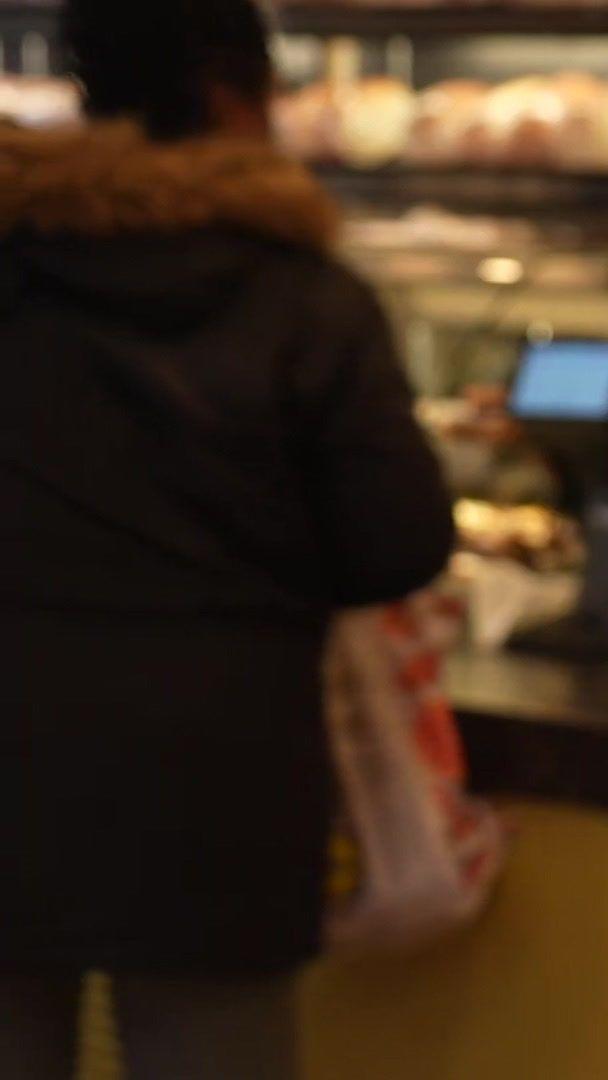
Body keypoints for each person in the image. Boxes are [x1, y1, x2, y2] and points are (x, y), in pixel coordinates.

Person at [0, 0, 452, 1074]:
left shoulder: (12, 271)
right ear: (229, 95)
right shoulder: (306, 298)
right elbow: (397, 545)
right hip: (216, 791)